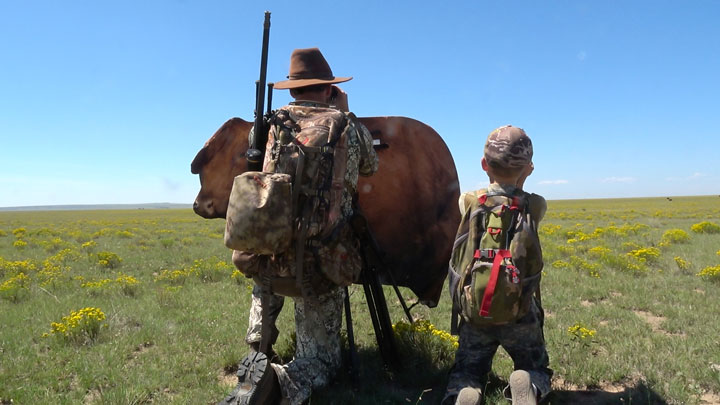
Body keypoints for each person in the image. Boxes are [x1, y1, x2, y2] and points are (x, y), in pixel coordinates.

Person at [220, 47, 378, 405]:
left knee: (266, 281)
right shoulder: (347, 127)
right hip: (322, 258)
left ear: (292, 90)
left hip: (268, 248)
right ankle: (282, 382)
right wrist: (344, 111)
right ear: (328, 88)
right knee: (319, 361)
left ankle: (256, 354)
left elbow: (254, 160)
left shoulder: (270, 125)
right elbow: (371, 167)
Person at [443, 125, 552, 405]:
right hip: (520, 309)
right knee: (536, 366)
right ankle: (530, 383)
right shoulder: (536, 205)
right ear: (528, 168)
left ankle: (465, 392)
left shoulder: (469, 200)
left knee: (467, 369)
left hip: (475, 306)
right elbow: (522, 197)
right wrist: (520, 178)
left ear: (483, 164)